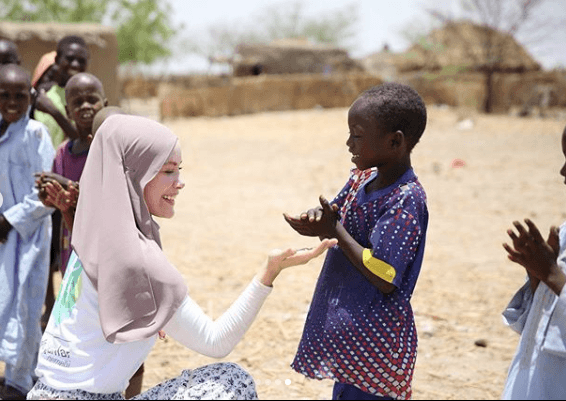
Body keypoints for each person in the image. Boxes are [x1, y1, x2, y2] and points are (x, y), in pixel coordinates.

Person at [27, 114, 336, 400]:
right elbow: (215, 341)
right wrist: (268, 275)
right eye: (166, 171)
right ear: (133, 174)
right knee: (232, 380)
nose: (179, 182)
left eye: (179, 170)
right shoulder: (138, 261)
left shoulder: (93, 227)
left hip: (42, 392)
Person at [284, 82, 429, 400]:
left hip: (376, 349)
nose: (349, 143)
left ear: (395, 142)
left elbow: (386, 275)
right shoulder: (361, 180)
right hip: (352, 344)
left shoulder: (406, 199)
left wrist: (335, 230)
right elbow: (337, 217)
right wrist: (318, 221)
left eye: (358, 135)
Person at [0, 64, 55, 400]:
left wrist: (9, 219)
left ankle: (20, 382)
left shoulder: (36, 134)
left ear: (30, 97)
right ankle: (10, 371)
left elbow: (46, 193)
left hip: (30, 236)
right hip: (4, 237)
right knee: (4, 301)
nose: (12, 101)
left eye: (20, 95)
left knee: (27, 305)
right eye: (4, 95)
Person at [501, 124, 566, 400]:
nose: (563, 172)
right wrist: (537, 274)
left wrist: (551, 273)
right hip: (535, 373)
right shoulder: (564, 230)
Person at [33, 35, 89, 148]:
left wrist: (53, 111)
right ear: (58, 60)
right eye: (70, 58)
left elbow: (85, 141)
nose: (75, 64)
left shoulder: (89, 100)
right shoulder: (42, 96)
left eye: (81, 61)